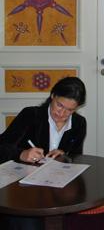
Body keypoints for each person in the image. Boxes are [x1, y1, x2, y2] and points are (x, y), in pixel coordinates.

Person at [0, 76, 87, 230]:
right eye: (59, 105)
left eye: (70, 110)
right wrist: (21, 154)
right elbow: (2, 146)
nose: (62, 113)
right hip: (23, 189)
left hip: (57, 189)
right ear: (52, 96)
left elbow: (76, 156)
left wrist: (65, 155)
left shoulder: (79, 124)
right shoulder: (30, 115)